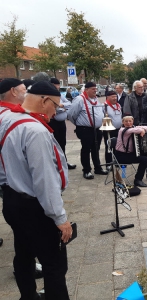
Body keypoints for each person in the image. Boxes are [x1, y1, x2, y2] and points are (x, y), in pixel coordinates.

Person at [0, 81, 72, 300]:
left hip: (12, 199)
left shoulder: (7, 118)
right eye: (56, 106)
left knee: (23, 253)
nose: (55, 112)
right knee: (55, 265)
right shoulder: (35, 130)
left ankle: (28, 297)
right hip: (35, 206)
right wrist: (60, 218)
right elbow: (45, 180)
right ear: (44, 101)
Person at [68, 82, 108, 179]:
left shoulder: (95, 99)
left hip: (97, 129)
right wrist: (80, 124)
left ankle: (97, 168)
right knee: (86, 150)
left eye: (96, 88)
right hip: (85, 129)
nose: (95, 90)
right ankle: (86, 170)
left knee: (96, 149)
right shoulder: (79, 99)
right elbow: (71, 115)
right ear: (86, 90)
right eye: (93, 89)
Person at [114, 116, 147, 187]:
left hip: (130, 153)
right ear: (123, 122)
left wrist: (143, 129)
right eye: (126, 121)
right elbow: (138, 130)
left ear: (133, 121)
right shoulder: (123, 130)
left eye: (130, 121)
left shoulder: (133, 127)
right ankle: (138, 179)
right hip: (122, 155)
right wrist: (142, 130)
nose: (128, 123)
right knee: (144, 159)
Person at [49, 78, 76, 170]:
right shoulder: (49, 96)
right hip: (53, 123)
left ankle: (64, 162)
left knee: (62, 143)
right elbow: (54, 109)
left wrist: (62, 106)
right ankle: (57, 164)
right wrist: (62, 109)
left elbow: (69, 103)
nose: (59, 86)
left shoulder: (60, 95)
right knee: (56, 144)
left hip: (61, 123)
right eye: (57, 85)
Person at [102, 91, 122, 168]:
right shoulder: (104, 106)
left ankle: (117, 161)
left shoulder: (118, 105)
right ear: (108, 97)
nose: (115, 98)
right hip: (109, 130)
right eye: (113, 97)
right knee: (109, 146)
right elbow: (102, 117)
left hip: (118, 129)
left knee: (118, 146)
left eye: (116, 96)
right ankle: (109, 164)